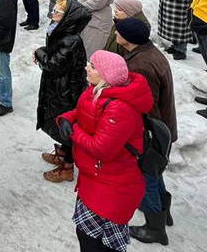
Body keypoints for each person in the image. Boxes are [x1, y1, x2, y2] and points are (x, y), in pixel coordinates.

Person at [59, 51, 153, 252]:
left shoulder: (119, 108)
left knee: (97, 244)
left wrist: (73, 130)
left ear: (105, 76)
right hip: (95, 177)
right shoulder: (98, 91)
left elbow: (101, 148)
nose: (87, 68)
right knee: (86, 235)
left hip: (113, 185)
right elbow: (84, 111)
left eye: (92, 66)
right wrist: (67, 117)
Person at [113, 18, 178, 246]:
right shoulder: (146, 53)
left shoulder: (140, 65)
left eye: (118, 31)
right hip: (159, 128)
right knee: (154, 173)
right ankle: (163, 211)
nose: (116, 34)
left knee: (146, 178)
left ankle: (154, 228)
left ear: (127, 38)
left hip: (150, 131)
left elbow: (146, 105)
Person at [34, 0, 90, 183]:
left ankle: (67, 167)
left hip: (67, 91)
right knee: (58, 122)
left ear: (67, 17)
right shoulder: (62, 32)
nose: (53, 14)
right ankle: (63, 153)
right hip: (60, 88)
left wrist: (39, 52)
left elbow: (54, 64)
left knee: (65, 126)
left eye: (57, 12)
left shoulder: (71, 39)